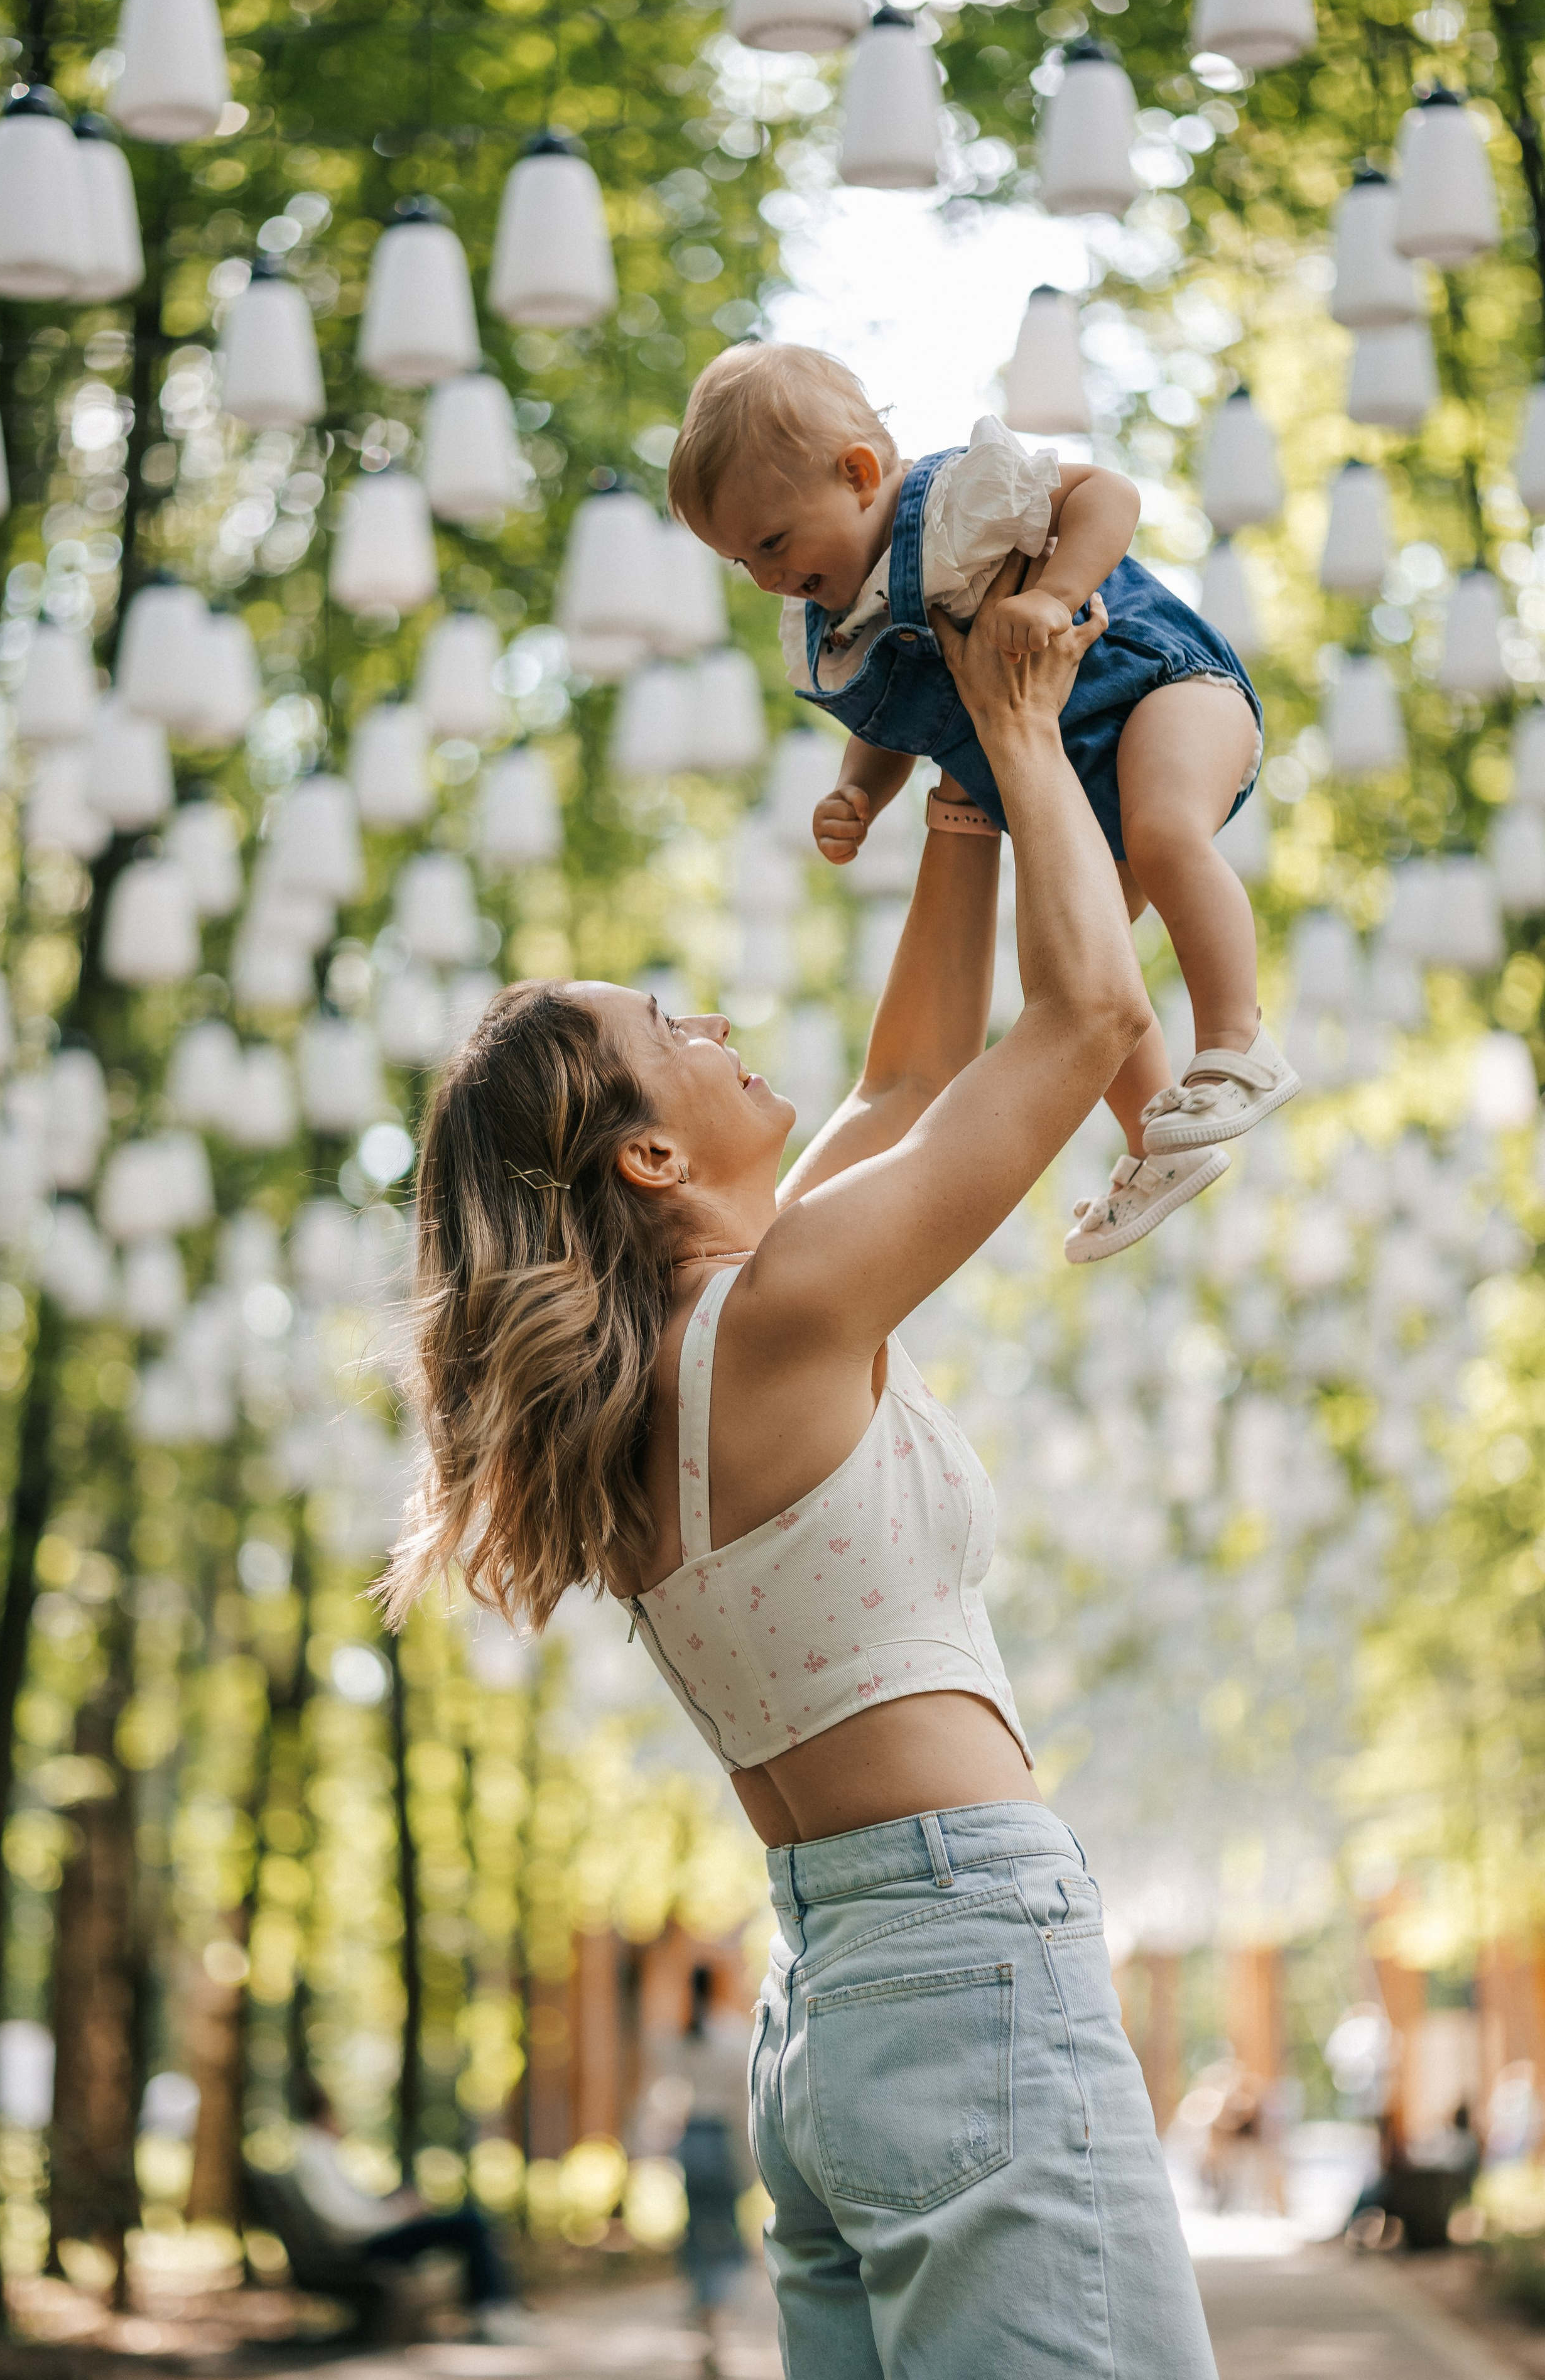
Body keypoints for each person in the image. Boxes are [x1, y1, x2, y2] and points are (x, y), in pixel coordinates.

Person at [379, 577, 1218, 2377]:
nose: (710, 1016)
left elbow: (913, 1068)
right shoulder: (769, 1324)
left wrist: (964, 783)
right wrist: (1018, 715)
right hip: (960, 1945)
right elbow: (1076, 1026)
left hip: (839, 2003)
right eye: (665, 1024)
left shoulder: (680, 1375)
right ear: (653, 1155)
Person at [665, 340, 1299, 1264]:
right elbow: (891, 716)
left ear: (858, 474)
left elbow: (1104, 494)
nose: (765, 577)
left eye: (771, 542)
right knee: (1085, 973)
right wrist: (857, 792)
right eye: (738, 562)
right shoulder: (839, 619)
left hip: (1161, 693)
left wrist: (1056, 593)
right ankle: (1160, 1140)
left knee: (1165, 835)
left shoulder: (959, 501)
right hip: (1071, 779)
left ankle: (1237, 1040)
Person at [288, 2082, 512, 2325]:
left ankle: (491, 2307)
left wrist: (395, 2205)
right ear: (325, 2113)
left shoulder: (322, 2152)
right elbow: (343, 2222)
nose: (344, 2122)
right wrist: (399, 2214)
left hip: (369, 2236)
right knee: (469, 2223)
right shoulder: (314, 2154)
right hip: (363, 2245)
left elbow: (352, 2209)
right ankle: (491, 2311)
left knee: (466, 2222)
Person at [661, 1965, 754, 2339]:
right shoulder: (733, 2034)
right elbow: (743, 2099)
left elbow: (665, 2094)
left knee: (696, 2225)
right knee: (726, 2222)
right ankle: (719, 2304)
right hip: (721, 2137)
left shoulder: (680, 2036)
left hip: (691, 2139)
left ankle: (702, 2300)